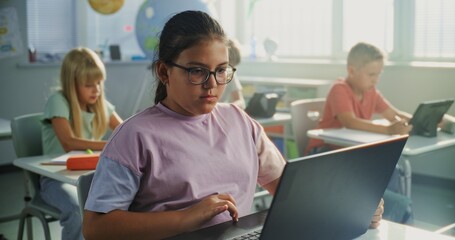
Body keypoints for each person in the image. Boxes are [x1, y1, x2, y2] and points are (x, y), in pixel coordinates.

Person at [82, 11, 384, 240]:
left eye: (221, 71)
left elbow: (288, 190)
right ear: (164, 71)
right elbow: (95, 227)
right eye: (197, 71)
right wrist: (186, 217)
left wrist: (348, 207)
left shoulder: (240, 122)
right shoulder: (135, 136)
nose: (212, 85)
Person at [306, 42, 413, 224]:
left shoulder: (371, 92)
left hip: (354, 155)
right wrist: (388, 129)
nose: (376, 79)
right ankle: (388, 212)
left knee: (392, 170)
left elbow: (394, 114)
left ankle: (386, 214)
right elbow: (350, 121)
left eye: (379, 74)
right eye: (371, 74)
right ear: (352, 70)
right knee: (394, 200)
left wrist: (419, 119)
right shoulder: (339, 89)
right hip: (327, 154)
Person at [41, 47, 123, 240]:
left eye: (99, 82)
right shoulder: (58, 101)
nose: (97, 89)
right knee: (78, 212)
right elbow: (69, 142)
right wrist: (109, 145)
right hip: (55, 180)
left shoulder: (99, 103)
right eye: (89, 84)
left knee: (127, 205)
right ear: (72, 83)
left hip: (90, 177)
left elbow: (124, 132)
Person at [219, 38, 246, 109]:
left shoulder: (230, 73)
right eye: (228, 66)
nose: (229, 70)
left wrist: (226, 108)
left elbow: (241, 102)